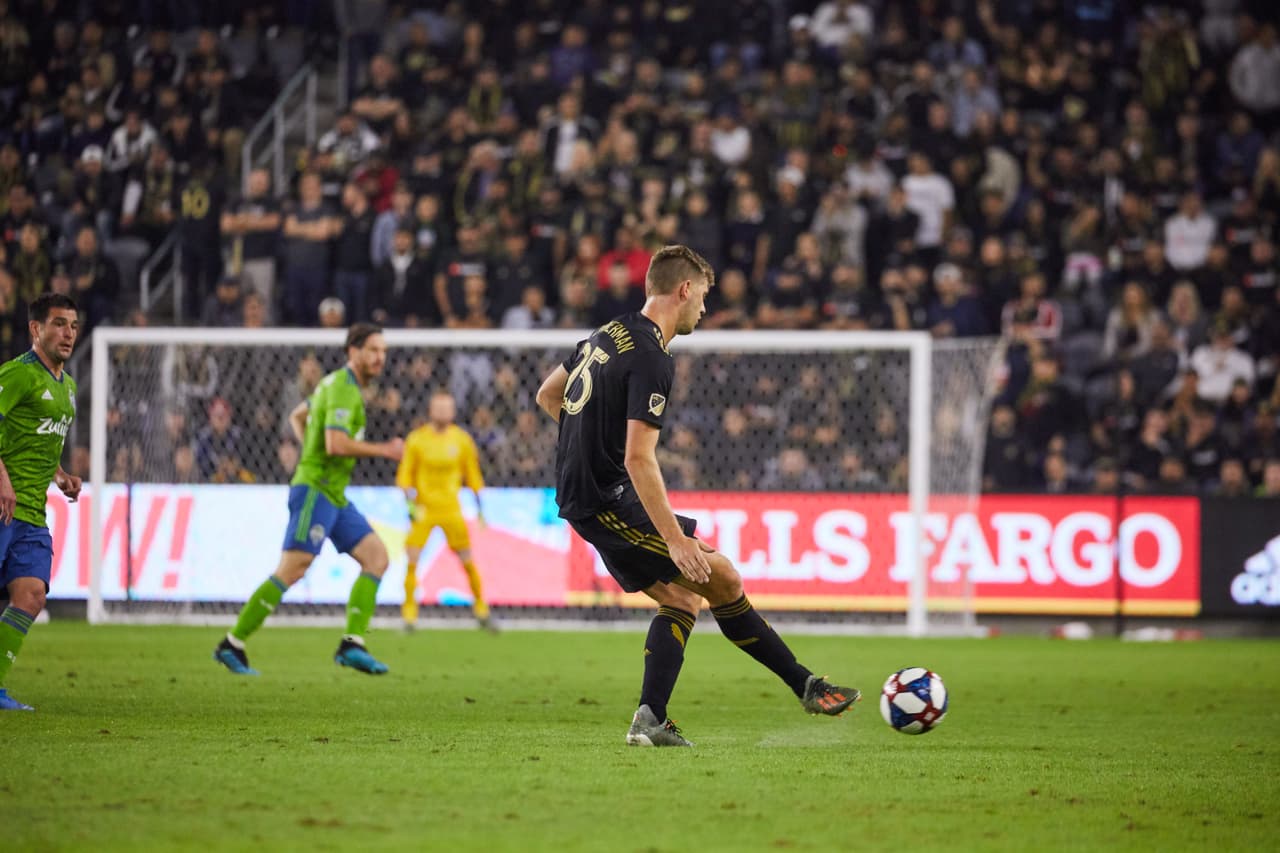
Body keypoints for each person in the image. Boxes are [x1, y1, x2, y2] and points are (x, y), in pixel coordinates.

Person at [534, 245, 859, 747]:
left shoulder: (605, 333)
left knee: (683, 598)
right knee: (720, 575)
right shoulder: (652, 355)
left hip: (594, 490)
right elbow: (641, 457)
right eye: (703, 296)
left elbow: (548, 396)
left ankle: (652, 718)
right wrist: (676, 541)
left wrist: (589, 447)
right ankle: (806, 685)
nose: (704, 309)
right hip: (604, 497)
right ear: (684, 290)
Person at [214, 323, 404, 677]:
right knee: (293, 567)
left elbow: (297, 416)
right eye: (374, 350)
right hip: (316, 491)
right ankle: (232, 643)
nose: (380, 358)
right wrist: (385, 450)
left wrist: (309, 450)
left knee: (376, 557)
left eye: (384, 351)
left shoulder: (332, 384)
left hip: (332, 492)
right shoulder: (345, 389)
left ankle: (352, 644)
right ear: (354, 352)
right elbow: (335, 444)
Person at [0, 293, 83, 711]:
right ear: (36, 329)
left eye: (72, 325)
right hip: (2, 504)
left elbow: (39, 441)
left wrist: (61, 475)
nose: (67, 333)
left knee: (31, 595)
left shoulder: (68, 387)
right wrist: (3, 480)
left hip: (32, 511)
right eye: (58, 324)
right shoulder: (16, 375)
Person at [396, 390, 495, 632]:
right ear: (430, 410)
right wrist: (410, 507)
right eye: (438, 407)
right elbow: (405, 476)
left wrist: (480, 507)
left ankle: (482, 610)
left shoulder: (461, 440)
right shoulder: (417, 439)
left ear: (453, 411)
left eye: (447, 408)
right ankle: (409, 615)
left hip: (451, 509)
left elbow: (472, 475)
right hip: (424, 509)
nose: (442, 412)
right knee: (412, 560)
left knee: (467, 561)